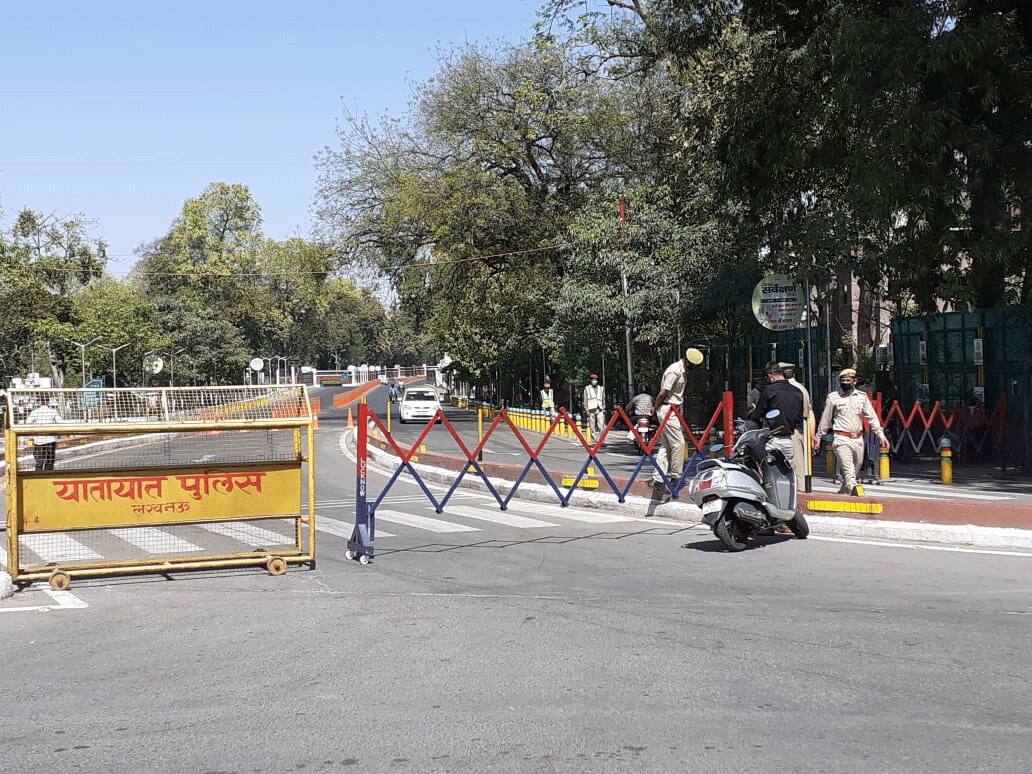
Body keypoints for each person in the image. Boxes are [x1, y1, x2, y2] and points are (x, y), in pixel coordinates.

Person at [816, 368, 888, 496]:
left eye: (848, 380)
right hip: (841, 438)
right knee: (848, 469)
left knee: (857, 466)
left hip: (858, 439)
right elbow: (826, 419)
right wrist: (819, 436)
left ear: (854, 381)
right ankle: (856, 492)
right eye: (842, 380)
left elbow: (871, 416)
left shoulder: (862, 397)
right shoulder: (833, 397)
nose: (845, 383)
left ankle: (845, 489)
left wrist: (880, 434)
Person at [650, 348, 705, 500]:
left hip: (673, 409)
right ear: (687, 362)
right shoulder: (675, 371)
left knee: (666, 446)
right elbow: (663, 392)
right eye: (692, 366)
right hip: (667, 408)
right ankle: (675, 476)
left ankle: (658, 478)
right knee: (679, 443)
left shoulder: (683, 371)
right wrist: (655, 407)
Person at [752, 362, 804, 467]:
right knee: (788, 473)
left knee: (768, 473)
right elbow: (799, 417)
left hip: (771, 440)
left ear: (770, 375)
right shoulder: (798, 391)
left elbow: (757, 414)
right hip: (789, 440)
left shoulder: (769, 390)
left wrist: (753, 414)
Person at [779, 362, 816, 492]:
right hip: (792, 431)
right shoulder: (799, 388)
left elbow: (807, 414)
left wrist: (811, 436)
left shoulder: (793, 389)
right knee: (794, 465)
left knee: (796, 465)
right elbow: (809, 413)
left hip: (792, 432)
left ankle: (798, 496)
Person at [26, 399, 63, 471]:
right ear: (48, 402)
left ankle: (37, 476)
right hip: (50, 439)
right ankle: (48, 476)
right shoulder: (53, 411)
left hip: (39, 440)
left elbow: (28, 422)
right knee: (49, 460)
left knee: (39, 461)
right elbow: (61, 422)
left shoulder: (35, 412)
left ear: (40, 402)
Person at [582, 373, 606, 442]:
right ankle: (595, 439)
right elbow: (585, 399)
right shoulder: (587, 388)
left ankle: (602, 440)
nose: (594, 381)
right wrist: (586, 409)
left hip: (600, 408)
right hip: (591, 409)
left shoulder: (601, 388)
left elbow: (603, 399)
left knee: (601, 425)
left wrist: (604, 407)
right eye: (593, 379)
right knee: (592, 425)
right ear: (591, 380)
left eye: (595, 379)